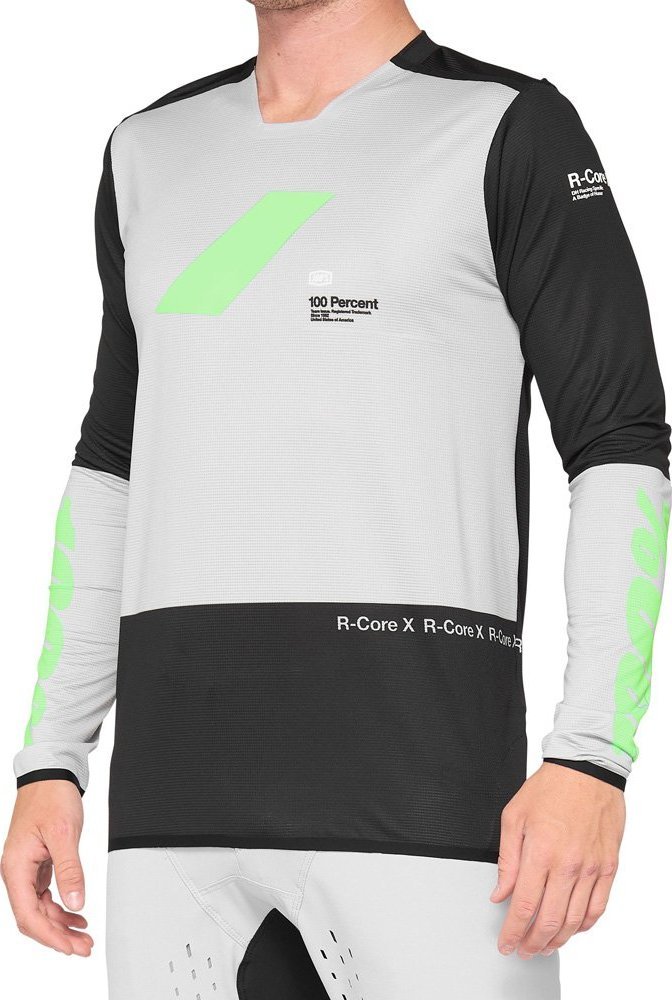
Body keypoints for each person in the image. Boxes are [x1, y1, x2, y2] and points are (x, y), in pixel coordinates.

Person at [2, 0, 669, 996]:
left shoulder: (507, 126)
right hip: (174, 812)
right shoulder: (147, 151)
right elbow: (111, 465)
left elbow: (620, 444)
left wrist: (592, 757)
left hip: (424, 803)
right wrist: (50, 758)